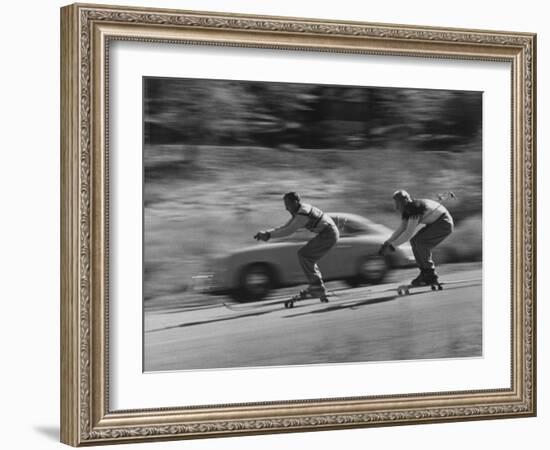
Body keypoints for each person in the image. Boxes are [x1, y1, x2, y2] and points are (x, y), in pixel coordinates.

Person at [254, 192, 339, 302]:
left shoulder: (302, 214)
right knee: (305, 256)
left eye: (287, 204)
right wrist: (267, 232)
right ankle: (317, 287)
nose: (286, 208)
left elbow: (289, 231)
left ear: (295, 202)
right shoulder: (300, 211)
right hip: (327, 234)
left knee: (305, 255)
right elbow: (286, 226)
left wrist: (269, 235)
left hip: (329, 234)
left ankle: (317, 287)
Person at [379, 189, 454, 286]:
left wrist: (392, 247)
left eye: (397, 202)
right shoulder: (408, 210)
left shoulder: (415, 208)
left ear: (404, 201)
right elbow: (401, 229)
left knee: (420, 242)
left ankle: (430, 275)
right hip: (436, 222)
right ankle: (425, 273)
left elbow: (408, 233)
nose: (396, 206)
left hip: (444, 223)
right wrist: (388, 242)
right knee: (415, 241)